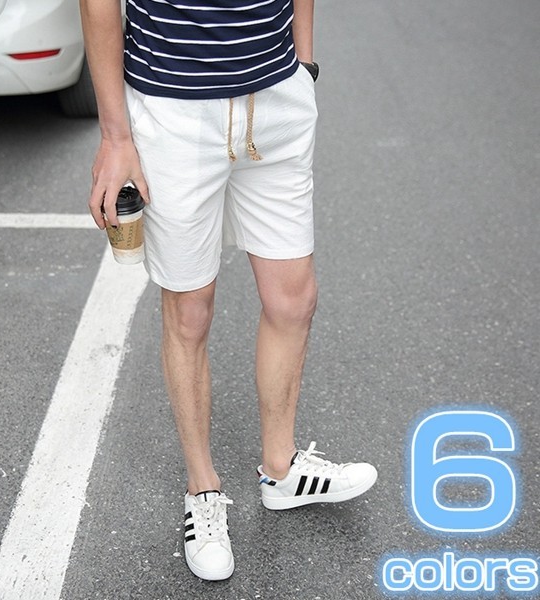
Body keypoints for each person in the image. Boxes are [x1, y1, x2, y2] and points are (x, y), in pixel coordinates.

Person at [80, 0, 377, 581]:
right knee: (190, 312)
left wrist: (304, 66)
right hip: (174, 109)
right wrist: (116, 136)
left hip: (278, 95)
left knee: (294, 299)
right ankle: (203, 490)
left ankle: (282, 470)